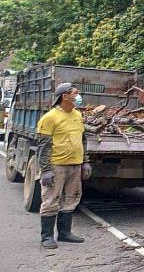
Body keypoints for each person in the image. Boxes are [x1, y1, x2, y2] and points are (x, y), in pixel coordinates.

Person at [36, 83, 92, 249]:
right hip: (57, 165)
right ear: (65, 96)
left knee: (71, 198)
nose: (78, 96)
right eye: (75, 93)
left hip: (74, 165)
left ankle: (65, 233)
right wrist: (46, 170)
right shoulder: (50, 118)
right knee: (51, 199)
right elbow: (44, 146)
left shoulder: (77, 115)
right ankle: (46, 236)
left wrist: (85, 161)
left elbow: (82, 140)